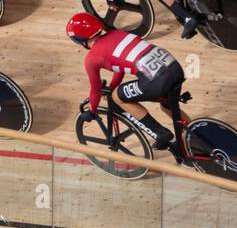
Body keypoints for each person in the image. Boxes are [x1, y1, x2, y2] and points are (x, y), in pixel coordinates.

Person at [67, 11, 185, 152]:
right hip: (174, 67)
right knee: (168, 105)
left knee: (118, 97)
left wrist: (92, 111)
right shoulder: (117, 34)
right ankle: (195, 134)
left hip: (157, 79)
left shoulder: (92, 58)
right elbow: (119, 68)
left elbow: (96, 89)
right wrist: (113, 86)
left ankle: (161, 134)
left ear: (80, 40)